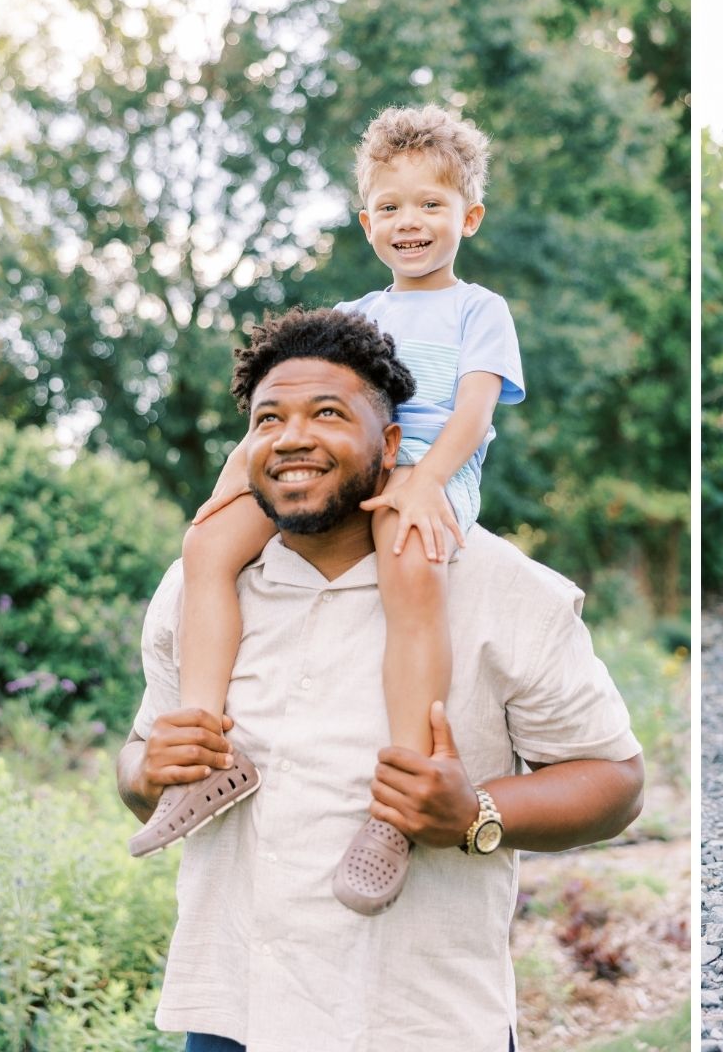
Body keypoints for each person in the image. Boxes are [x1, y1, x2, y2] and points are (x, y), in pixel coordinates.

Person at [116, 307, 643, 1050]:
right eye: (269, 419)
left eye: (327, 413)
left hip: (418, 1023)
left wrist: (477, 813)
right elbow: (137, 768)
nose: (293, 436)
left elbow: (617, 781)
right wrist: (148, 772)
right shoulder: (199, 588)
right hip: (232, 1015)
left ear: (391, 442)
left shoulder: (503, 591)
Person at [128, 105, 524, 919]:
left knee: (409, 572)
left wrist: (422, 483)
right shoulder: (357, 315)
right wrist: (227, 487)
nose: (409, 222)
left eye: (430, 206)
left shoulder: (478, 309)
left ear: (468, 217)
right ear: (366, 220)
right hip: (332, 468)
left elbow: (475, 413)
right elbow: (296, 411)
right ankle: (207, 751)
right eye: (390, 207)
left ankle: (396, 804)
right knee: (205, 550)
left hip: (426, 473)